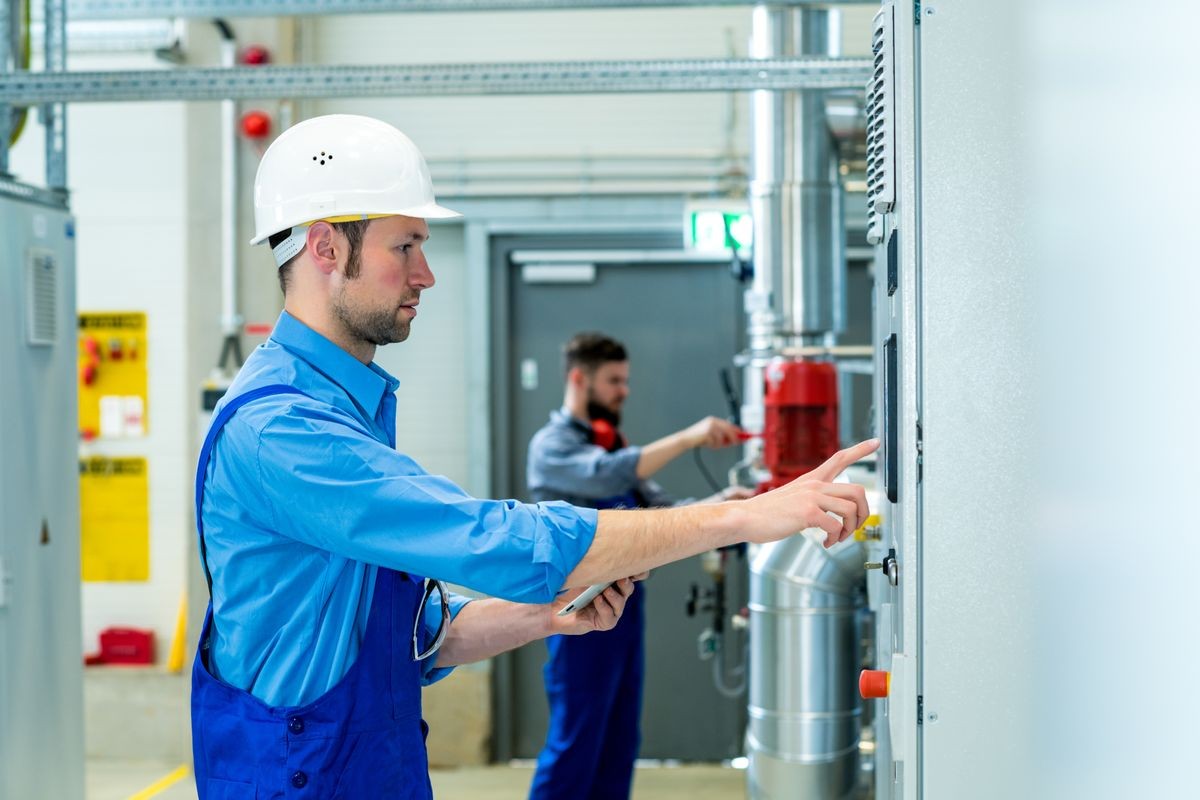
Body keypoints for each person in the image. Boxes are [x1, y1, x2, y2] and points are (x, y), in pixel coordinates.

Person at [191, 113, 877, 799]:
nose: (424, 274)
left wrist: (552, 614)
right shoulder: (283, 428)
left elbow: (416, 640)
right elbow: (494, 539)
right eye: (405, 246)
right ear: (324, 247)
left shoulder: (341, 408)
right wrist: (746, 518)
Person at [526, 332, 753, 800]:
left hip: (625, 612)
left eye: (625, 380)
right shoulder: (552, 448)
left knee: (619, 741)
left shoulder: (613, 446)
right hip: (576, 617)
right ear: (578, 379)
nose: (623, 391)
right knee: (576, 741)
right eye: (613, 381)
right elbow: (610, 475)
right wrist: (690, 436)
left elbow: (662, 515)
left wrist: (724, 508)